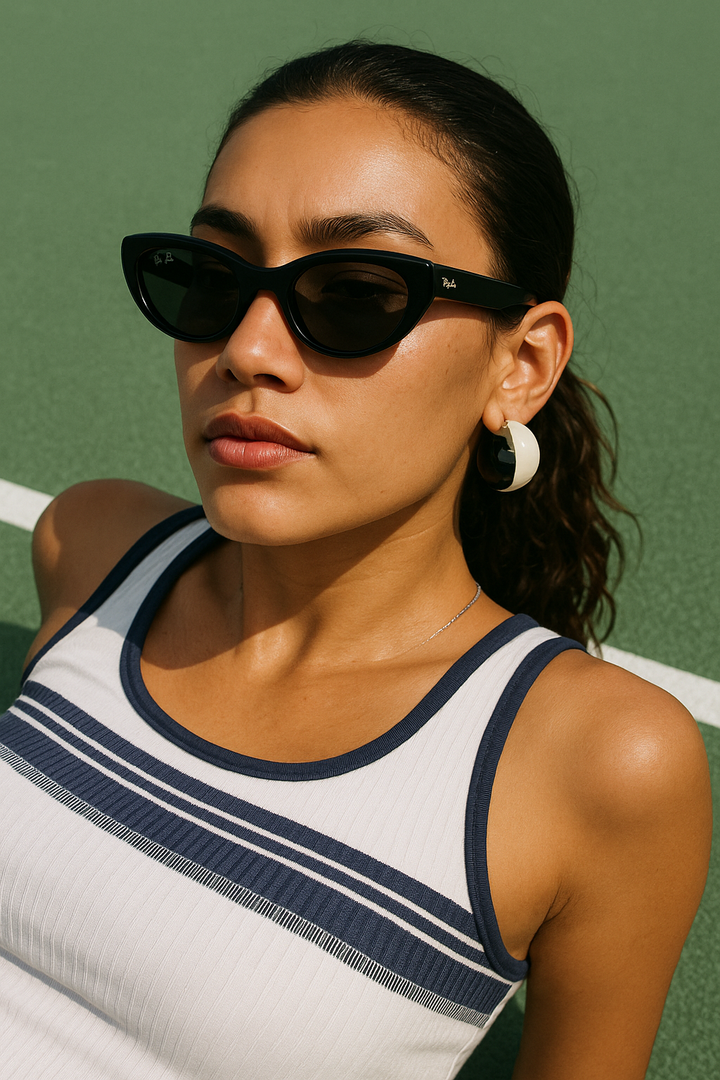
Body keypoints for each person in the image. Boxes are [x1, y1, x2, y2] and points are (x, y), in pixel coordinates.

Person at [0, 41, 711, 1080]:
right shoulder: (92, 550)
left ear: (521, 365)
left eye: (356, 293)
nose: (247, 348)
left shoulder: (599, 765)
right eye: (210, 276)